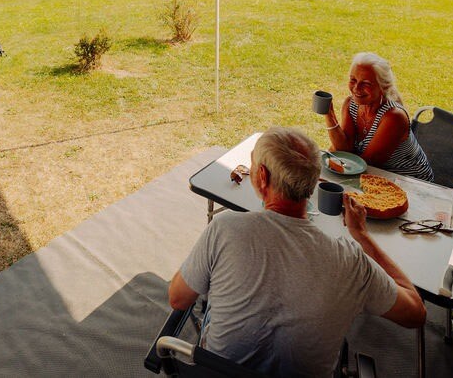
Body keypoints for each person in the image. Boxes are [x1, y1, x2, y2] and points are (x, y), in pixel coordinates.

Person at [168, 128, 426, 375]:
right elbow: (415, 313)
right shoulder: (351, 262)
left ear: (262, 177)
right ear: (314, 184)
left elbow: (178, 299)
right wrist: (362, 236)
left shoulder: (225, 229)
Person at [325, 52, 434, 181]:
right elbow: (345, 151)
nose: (356, 88)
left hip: (410, 182)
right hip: (375, 175)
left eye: (366, 83)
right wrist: (329, 115)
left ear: (384, 86)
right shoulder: (351, 104)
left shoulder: (394, 117)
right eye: (353, 80)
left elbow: (363, 165)